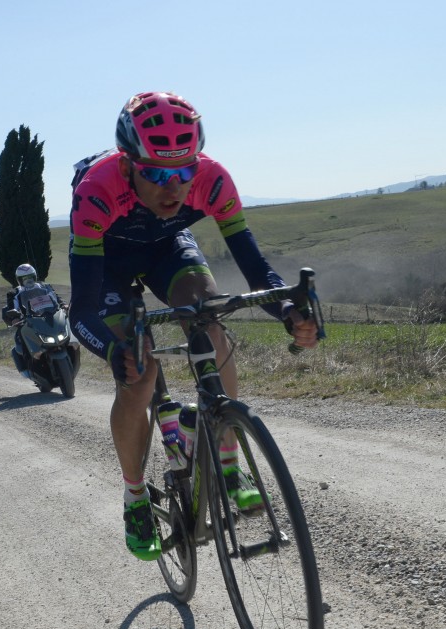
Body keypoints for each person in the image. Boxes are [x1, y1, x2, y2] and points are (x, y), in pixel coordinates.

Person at [67, 91, 319, 561]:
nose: (174, 187)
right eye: (157, 173)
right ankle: (135, 496)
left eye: (184, 171)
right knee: (139, 375)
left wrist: (288, 312)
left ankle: (226, 457)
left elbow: (257, 270)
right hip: (110, 262)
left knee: (210, 316)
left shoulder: (214, 179)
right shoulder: (97, 191)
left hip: (167, 248)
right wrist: (112, 352)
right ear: (128, 163)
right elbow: (80, 311)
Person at [7, 263, 62, 379]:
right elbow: (11, 308)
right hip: (28, 322)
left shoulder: (44, 286)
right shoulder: (14, 293)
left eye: (31, 277)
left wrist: (64, 305)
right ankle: (29, 367)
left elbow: (56, 298)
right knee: (19, 339)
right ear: (19, 280)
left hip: (48, 317)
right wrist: (14, 318)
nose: (29, 281)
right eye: (25, 278)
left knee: (64, 325)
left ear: (35, 276)